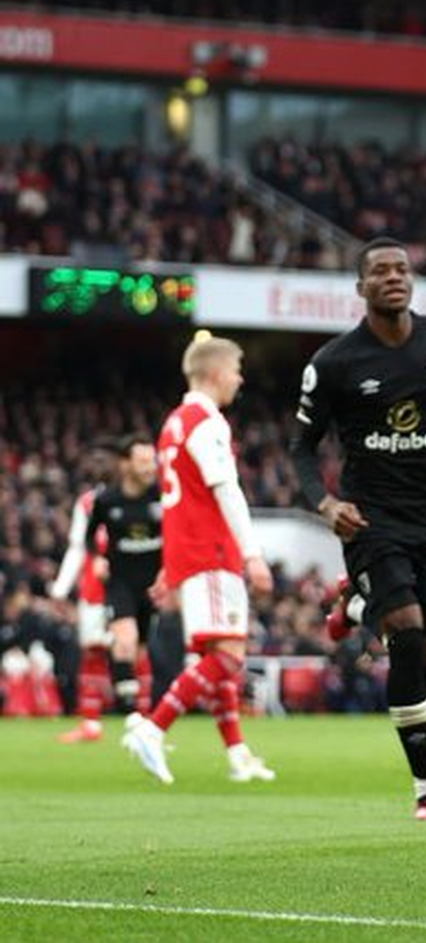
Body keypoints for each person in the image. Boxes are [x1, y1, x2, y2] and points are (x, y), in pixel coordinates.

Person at [290, 236, 426, 821]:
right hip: (371, 521)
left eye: (402, 269)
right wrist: (325, 504)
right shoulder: (334, 363)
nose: (393, 277)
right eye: (380, 271)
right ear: (361, 288)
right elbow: (302, 449)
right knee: (406, 632)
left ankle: (358, 610)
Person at [122, 335, 277, 784]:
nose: (240, 378)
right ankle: (152, 728)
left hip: (191, 552)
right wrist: (253, 555)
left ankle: (237, 754)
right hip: (212, 552)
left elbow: (178, 500)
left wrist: (172, 562)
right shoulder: (206, 422)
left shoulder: (173, 423)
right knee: (228, 654)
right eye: (235, 369)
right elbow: (225, 490)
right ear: (214, 373)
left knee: (217, 651)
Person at [84, 436, 165, 717]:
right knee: (126, 639)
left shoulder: (163, 495)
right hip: (120, 583)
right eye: (142, 461)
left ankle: (125, 689)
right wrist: (96, 558)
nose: (149, 467)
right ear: (125, 464)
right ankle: (129, 712)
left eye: (151, 460)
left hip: (154, 585)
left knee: (137, 650)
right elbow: (89, 536)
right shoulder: (107, 500)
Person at [49, 452, 113, 742]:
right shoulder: (86, 503)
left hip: (126, 586)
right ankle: (91, 723)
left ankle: (147, 726)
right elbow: (77, 547)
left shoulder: (135, 498)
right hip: (94, 591)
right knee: (93, 653)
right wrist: (61, 589)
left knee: (134, 652)